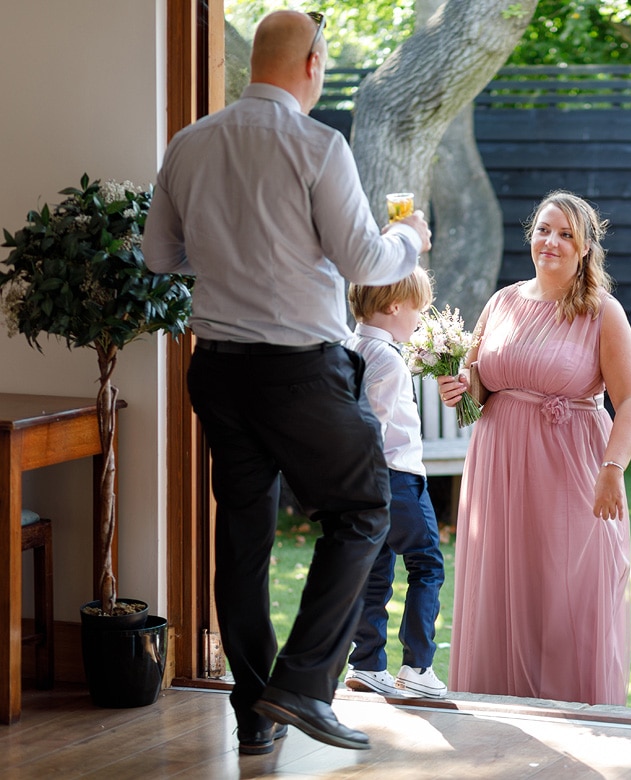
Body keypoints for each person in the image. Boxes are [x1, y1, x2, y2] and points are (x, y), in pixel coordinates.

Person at [142, 10, 431, 754]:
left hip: (218, 371)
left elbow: (158, 257)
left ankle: (254, 716)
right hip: (298, 373)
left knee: (242, 541)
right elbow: (367, 262)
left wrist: (230, 246)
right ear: (310, 63)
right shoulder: (317, 144)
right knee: (366, 505)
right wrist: (410, 239)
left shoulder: (189, 143)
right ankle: (301, 685)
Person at [436, 190, 631, 705]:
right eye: (544, 230)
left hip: (571, 468)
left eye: (565, 234)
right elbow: (483, 381)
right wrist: (460, 388)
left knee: (566, 595)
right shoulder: (502, 302)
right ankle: (495, 714)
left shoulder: (602, 312)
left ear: (584, 249)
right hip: (498, 466)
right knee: (503, 593)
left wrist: (613, 468)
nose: (551, 241)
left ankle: (574, 712)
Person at [343, 266, 448, 700]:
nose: (421, 320)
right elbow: (378, 426)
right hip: (397, 477)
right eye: (418, 310)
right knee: (426, 564)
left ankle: (367, 663)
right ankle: (417, 666)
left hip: (361, 482)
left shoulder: (349, 346)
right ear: (392, 307)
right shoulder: (388, 359)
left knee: (375, 569)